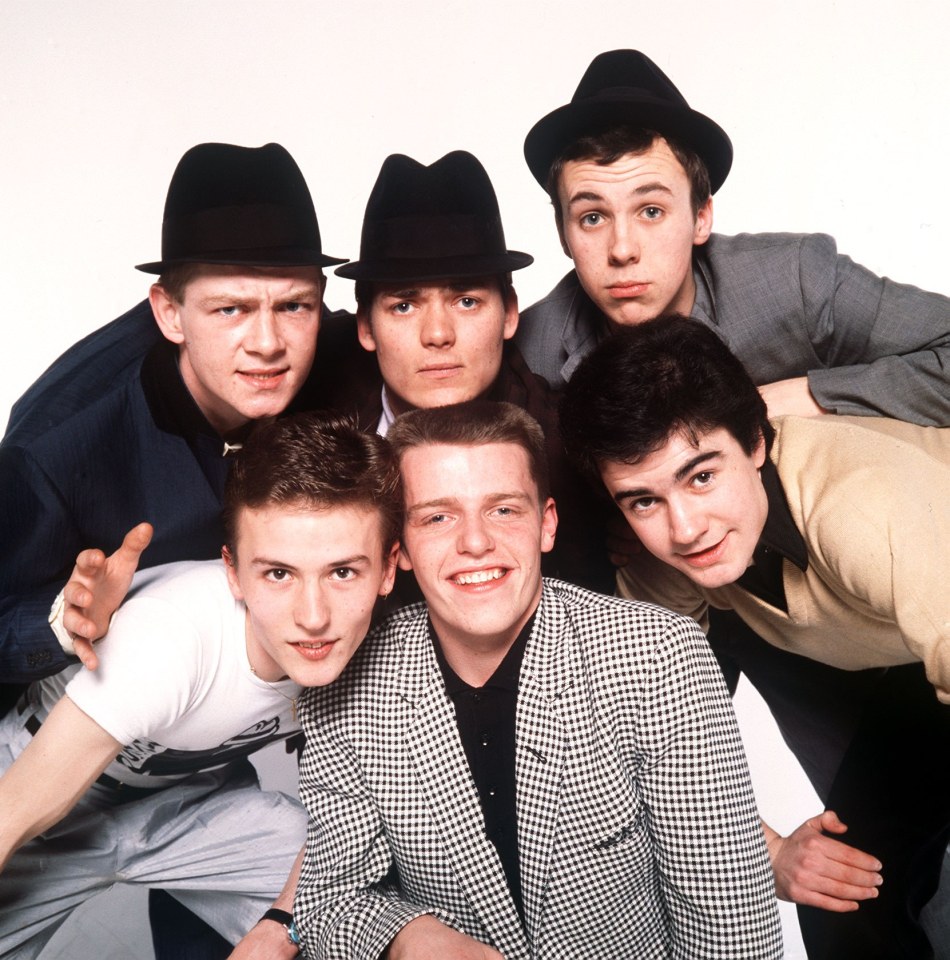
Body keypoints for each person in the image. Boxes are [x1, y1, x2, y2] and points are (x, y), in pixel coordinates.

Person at [0, 141, 344, 955]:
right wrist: (59, 622)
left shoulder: (333, 374)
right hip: (39, 765)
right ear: (167, 312)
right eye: (230, 309)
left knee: (349, 908)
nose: (267, 343)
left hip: (194, 780)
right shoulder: (61, 437)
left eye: (293, 307)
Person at [292, 400, 783, 959]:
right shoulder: (344, 691)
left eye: (503, 510)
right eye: (438, 516)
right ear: (398, 547)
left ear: (546, 523)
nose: (475, 542)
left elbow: (730, 925)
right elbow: (330, 902)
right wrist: (407, 937)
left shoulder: (658, 658)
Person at [559, 315, 950, 958]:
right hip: (906, 660)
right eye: (643, 501)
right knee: (846, 900)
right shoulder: (667, 559)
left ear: (755, 441)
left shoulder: (865, 509)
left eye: (701, 475)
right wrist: (769, 852)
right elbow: (624, 725)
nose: (684, 528)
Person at [0, 412, 400, 959]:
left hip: (191, 801)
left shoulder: (377, 652)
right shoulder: (172, 636)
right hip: (43, 777)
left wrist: (281, 926)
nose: (314, 617)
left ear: (388, 569)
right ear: (233, 571)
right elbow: (15, 809)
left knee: (361, 892)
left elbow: (350, 817)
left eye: (342, 572)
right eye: (278, 574)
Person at [515, 49, 950, 428]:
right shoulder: (533, 349)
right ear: (563, 234)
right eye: (592, 217)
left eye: (651, 211)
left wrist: (802, 397)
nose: (623, 249)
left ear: (701, 217)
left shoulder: (795, 281)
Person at [314, 149, 613, 594]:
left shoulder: (566, 449)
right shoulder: (312, 403)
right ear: (365, 326)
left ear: (510, 314)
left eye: (467, 301)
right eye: (404, 305)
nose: (437, 334)